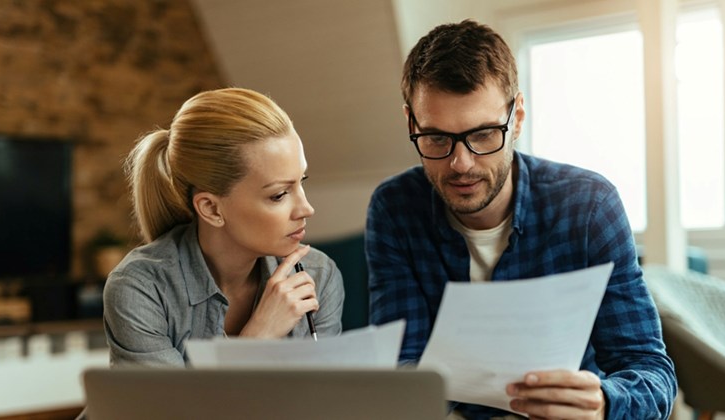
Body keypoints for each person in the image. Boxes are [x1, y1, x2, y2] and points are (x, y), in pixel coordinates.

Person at [366, 20, 677, 419]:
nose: (461, 164)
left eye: (483, 135)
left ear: (518, 118)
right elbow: (402, 371)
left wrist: (602, 404)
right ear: (412, 123)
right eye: (437, 138)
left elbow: (652, 373)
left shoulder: (590, 206)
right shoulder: (394, 209)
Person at [104, 87, 344, 366]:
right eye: (279, 194)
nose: (307, 209)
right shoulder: (140, 288)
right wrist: (259, 337)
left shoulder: (319, 275)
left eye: (301, 182)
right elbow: (169, 409)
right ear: (211, 209)